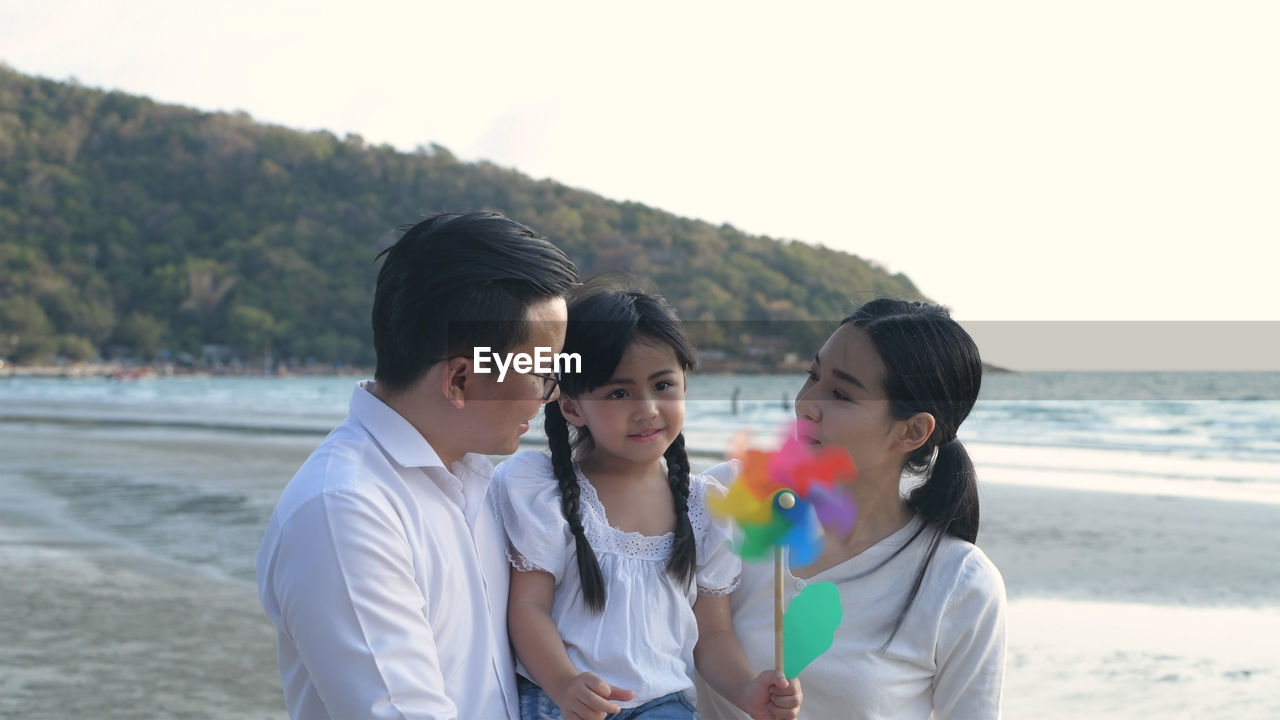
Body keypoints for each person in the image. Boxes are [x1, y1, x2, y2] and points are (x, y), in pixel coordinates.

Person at [255, 211, 579, 720]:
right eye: (540, 371)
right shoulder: (345, 512)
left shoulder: (486, 481)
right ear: (459, 382)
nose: (551, 393)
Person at [490, 281, 802, 720]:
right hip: (565, 700)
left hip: (663, 706)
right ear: (573, 407)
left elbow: (711, 634)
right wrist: (563, 683)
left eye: (663, 384)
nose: (648, 409)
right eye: (619, 393)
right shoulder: (545, 491)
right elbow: (528, 607)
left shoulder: (705, 507)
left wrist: (748, 689)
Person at [697, 299, 1006, 720]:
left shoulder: (959, 582)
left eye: (841, 393)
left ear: (913, 431)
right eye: (813, 375)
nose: (806, 402)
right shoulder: (732, 494)